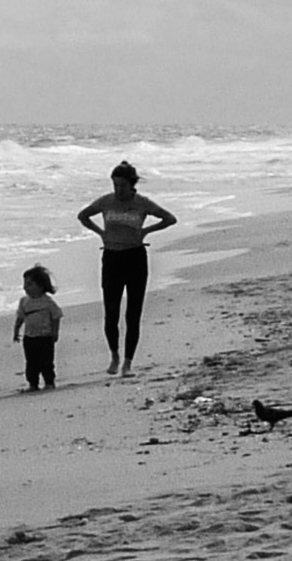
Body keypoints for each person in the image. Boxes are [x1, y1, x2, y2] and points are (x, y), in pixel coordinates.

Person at [77, 160, 177, 377]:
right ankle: (114, 355)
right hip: (112, 258)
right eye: (115, 185)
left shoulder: (142, 203)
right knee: (111, 312)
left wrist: (146, 231)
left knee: (133, 313)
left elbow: (170, 218)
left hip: (135, 258)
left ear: (131, 185)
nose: (118, 190)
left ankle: (128, 363)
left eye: (122, 185)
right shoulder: (106, 201)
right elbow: (83, 216)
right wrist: (100, 233)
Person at [13, 264, 62, 391]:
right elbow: (20, 317)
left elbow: (56, 316)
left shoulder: (47, 301)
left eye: (30, 284)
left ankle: (49, 382)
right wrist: (16, 330)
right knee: (31, 362)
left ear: (41, 286)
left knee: (46, 362)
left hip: (45, 337)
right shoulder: (24, 301)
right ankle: (33, 384)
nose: (26, 287)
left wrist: (55, 332)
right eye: (25, 284)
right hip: (29, 338)